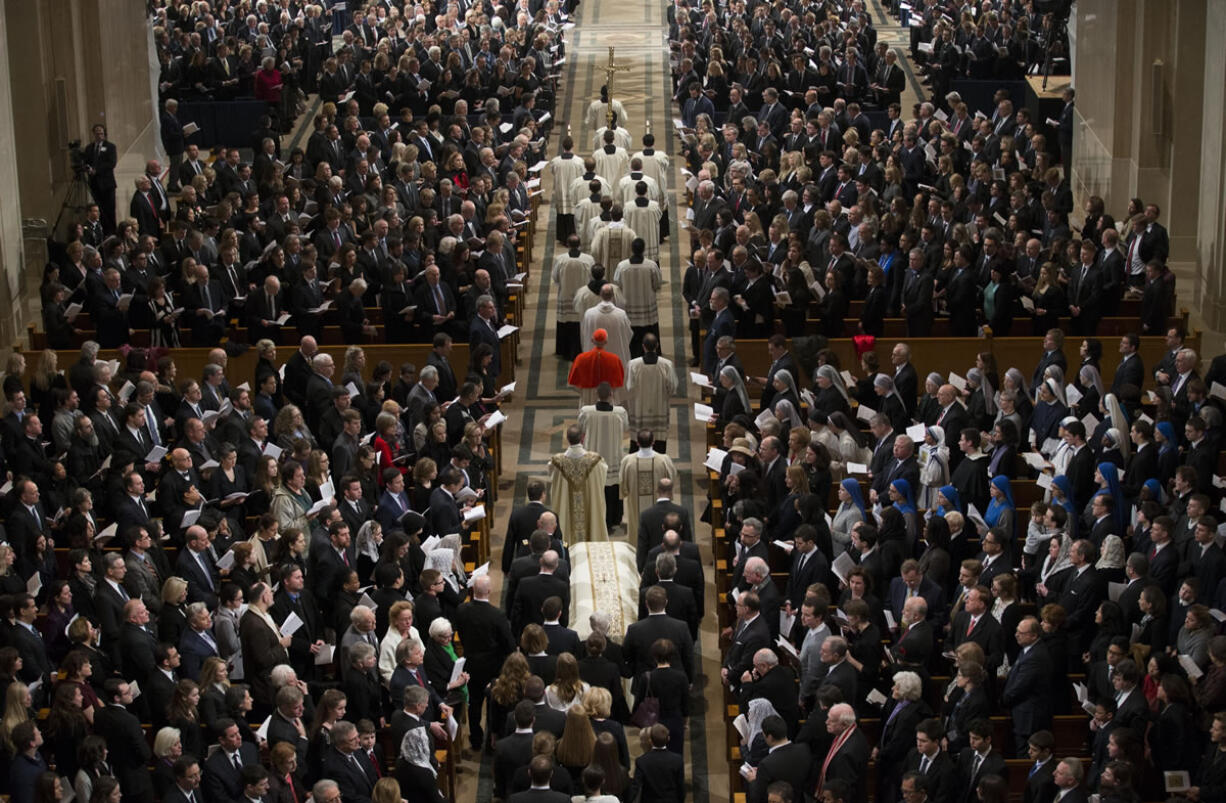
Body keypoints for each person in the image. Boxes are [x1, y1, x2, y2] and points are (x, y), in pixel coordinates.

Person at [547, 424, 609, 543]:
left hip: (567, 515)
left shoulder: (556, 462)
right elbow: (603, 477)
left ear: (567, 439)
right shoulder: (596, 461)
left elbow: (551, 474)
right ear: (583, 437)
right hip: (589, 509)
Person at [568, 329, 626, 406]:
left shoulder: (581, 358)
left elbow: (573, 383)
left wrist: (584, 390)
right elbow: (618, 383)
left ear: (592, 340)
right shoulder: (614, 359)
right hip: (606, 395)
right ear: (606, 342)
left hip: (587, 395)